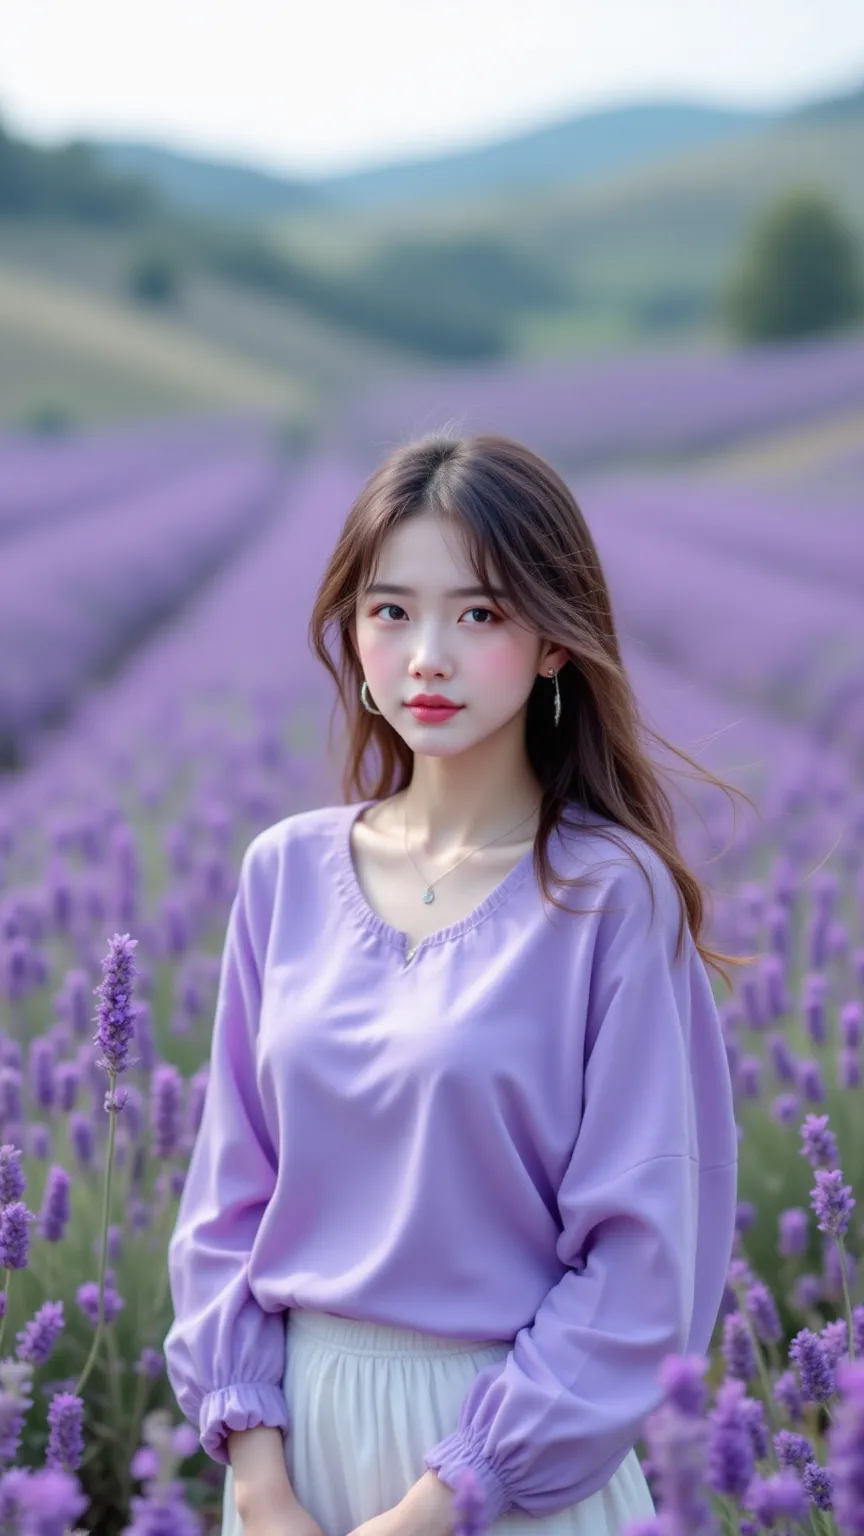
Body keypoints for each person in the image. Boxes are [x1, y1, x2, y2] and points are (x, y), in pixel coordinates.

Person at [163, 432, 747, 1536]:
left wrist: (445, 1499)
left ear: (553, 645)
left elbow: (643, 1262)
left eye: (478, 614)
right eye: (390, 612)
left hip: (509, 1471)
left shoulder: (611, 899)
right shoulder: (283, 872)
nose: (426, 654)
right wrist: (257, 1480)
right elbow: (224, 1210)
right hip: (291, 1448)